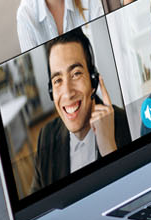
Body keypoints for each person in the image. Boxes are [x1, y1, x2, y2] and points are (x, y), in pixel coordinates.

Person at [30, 28, 123, 192]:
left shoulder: (124, 122)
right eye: (58, 80)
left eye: (76, 74)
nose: (67, 92)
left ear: (93, 81)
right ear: (51, 91)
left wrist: (109, 149)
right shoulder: (47, 137)